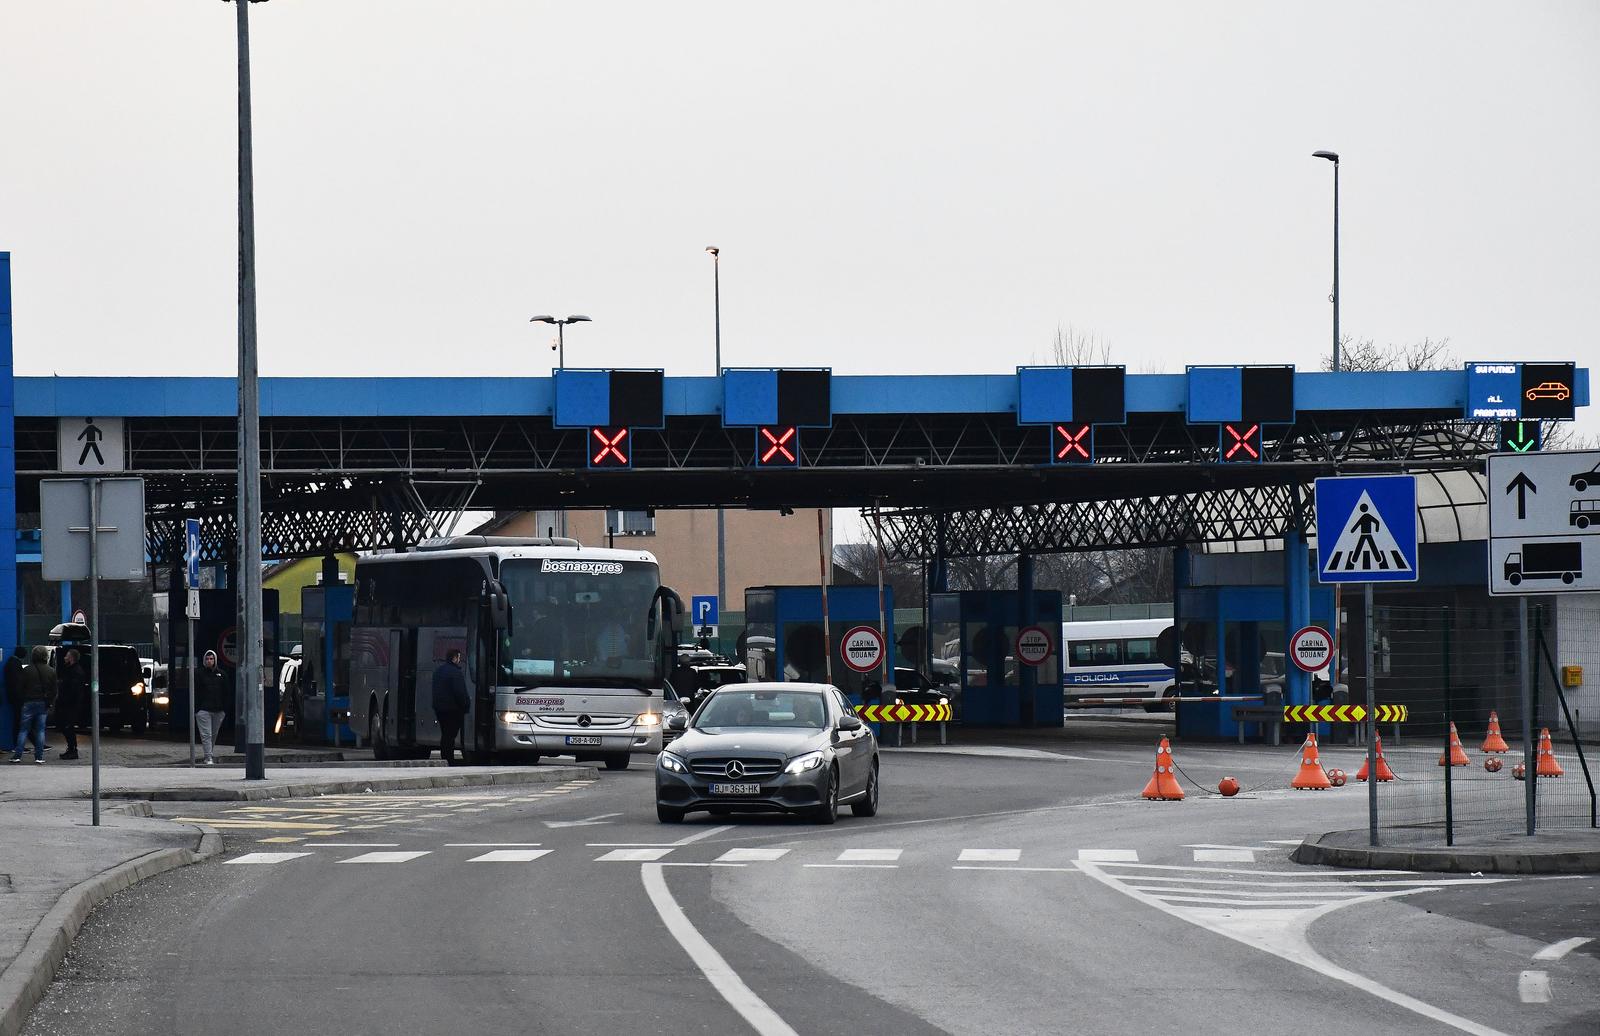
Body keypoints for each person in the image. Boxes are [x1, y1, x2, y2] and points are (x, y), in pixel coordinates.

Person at [10, 646, 57, 764]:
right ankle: (39, 757)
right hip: (43, 703)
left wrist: (22, 699)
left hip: (28, 702)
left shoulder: (26, 670)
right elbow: (54, 690)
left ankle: (17, 756)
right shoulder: (51, 671)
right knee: (40, 730)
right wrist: (49, 702)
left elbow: (19, 688)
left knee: (23, 730)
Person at [431, 648, 470, 765]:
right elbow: (460, 692)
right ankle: (449, 758)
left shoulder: (438, 671)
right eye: (458, 657)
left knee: (445, 734)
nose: (459, 659)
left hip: (439, 709)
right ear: (454, 658)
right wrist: (466, 705)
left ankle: (445, 757)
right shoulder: (456, 673)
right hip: (453, 709)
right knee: (450, 735)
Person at [194, 650, 230, 765]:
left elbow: (227, 692)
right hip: (204, 709)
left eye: (211, 659)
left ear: (215, 660)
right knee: (206, 734)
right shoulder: (199, 674)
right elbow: (196, 691)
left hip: (218, 710)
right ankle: (208, 757)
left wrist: (224, 709)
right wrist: (198, 709)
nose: (209, 661)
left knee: (213, 734)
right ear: (204, 660)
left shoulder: (222, 674)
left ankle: (209, 754)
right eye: (207, 659)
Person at [56, 648, 89, 761]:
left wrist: (64, 700)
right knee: (66, 727)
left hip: (70, 705)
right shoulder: (72, 670)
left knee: (68, 727)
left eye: (66, 656)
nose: (64, 658)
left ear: (71, 658)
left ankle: (72, 750)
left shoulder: (75, 672)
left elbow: (73, 690)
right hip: (70, 704)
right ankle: (71, 749)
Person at [4, 645, 25, 746]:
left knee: (19, 721)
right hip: (17, 698)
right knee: (19, 721)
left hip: (13, 697)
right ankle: (18, 745)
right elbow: (17, 683)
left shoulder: (11, 663)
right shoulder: (15, 664)